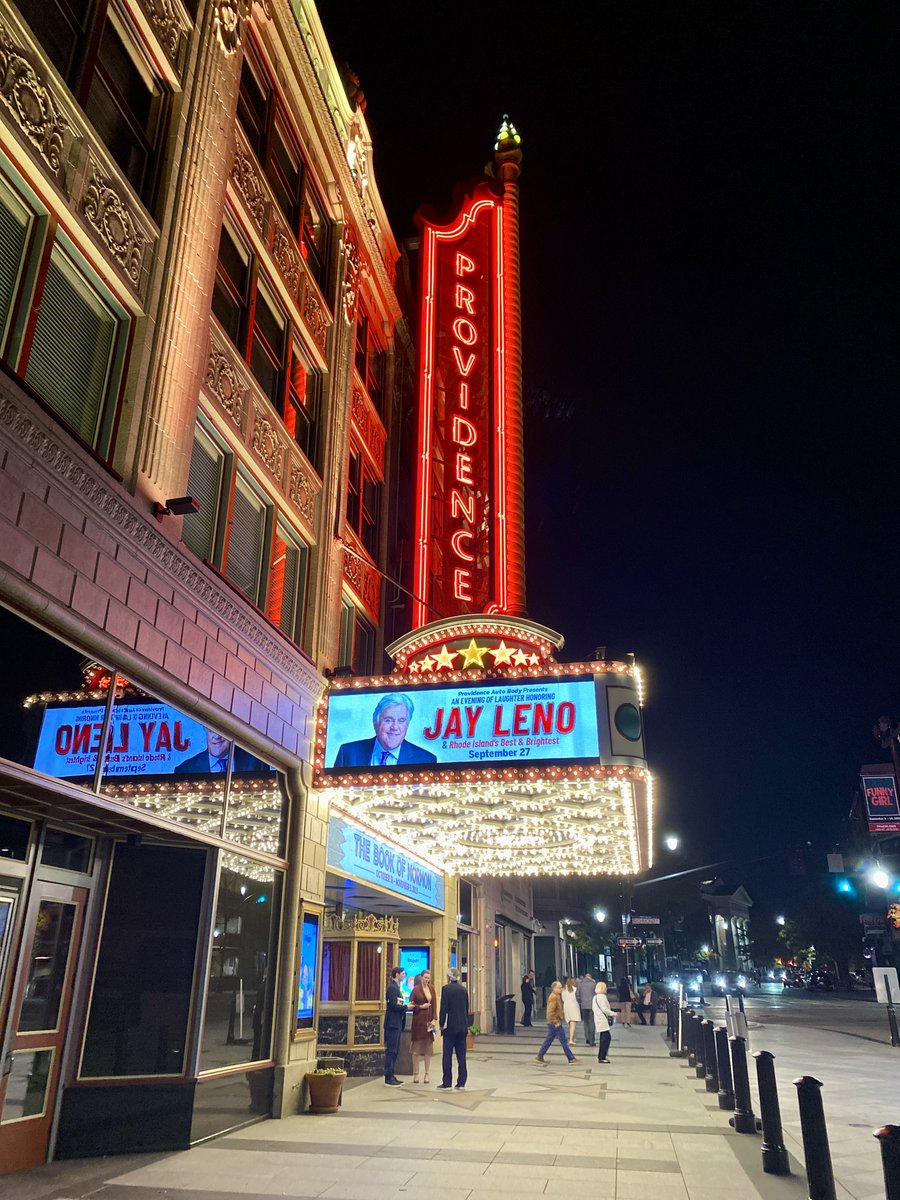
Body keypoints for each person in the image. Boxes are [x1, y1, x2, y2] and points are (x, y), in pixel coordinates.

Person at [334, 694, 437, 767]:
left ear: (407, 724)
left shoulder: (426, 760)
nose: (395, 727)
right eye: (388, 720)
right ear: (375, 721)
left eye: (401, 721)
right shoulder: (347, 752)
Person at [175, 728, 268, 773]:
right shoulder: (185, 769)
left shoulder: (256, 762)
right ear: (206, 733)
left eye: (222, 731)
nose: (216, 737)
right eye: (211, 731)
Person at [437, 968, 469, 1089]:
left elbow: (444, 1009)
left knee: (447, 1055)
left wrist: (441, 1024)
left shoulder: (446, 989)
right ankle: (461, 1082)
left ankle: (447, 1081)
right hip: (462, 1027)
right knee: (461, 1056)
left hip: (450, 1027)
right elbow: (466, 1008)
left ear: (450, 977)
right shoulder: (464, 990)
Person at [535, 980, 578, 1065]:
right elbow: (550, 1012)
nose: (561, 989)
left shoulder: (557, 996)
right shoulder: (553, 997)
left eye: (561, 987)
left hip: (554, 1022)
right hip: (554, 1023)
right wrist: (555, 1022)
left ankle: (540, 1055)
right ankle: (571, 1058)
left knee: (549, 1040)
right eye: (559, 988)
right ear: (554, 988)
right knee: (563, 1041)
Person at [409, 969, 436, 1084]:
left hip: (428, 1021)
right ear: (421, 977)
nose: (426, 980)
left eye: (428, 978)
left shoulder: (432, 988)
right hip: (418, 1021)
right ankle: (416, 1074)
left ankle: (427, 1074)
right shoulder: (416, 990)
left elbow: (434, 1004)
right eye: (425, 978)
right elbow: (411, 1004)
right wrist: (421, 1006)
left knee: (427, 1050)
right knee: (416, 1049)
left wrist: (434, 1019)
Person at [384, 966, 408, 1085]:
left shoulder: (397, 987)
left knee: (395, 1050)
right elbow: (393, 1005)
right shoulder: (392, 988)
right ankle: (389, 1076)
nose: (404, 976)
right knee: (391, 1050)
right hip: (392, 1023)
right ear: (397, 974)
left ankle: (392, 1074)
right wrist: (406, 1007)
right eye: (403, 974)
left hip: (397, 1023)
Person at [591, 981, 616, 1063]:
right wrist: (613, 1014)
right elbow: (605, 1009)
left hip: (598, 1018)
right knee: (606, 1037)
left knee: (604, 1036)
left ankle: (602, 1056)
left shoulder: (595, 997)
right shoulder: (602, 997)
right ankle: (602, 1056)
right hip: (603, 1019)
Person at [576, 971, 596, 1045]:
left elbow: (577, 995)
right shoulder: (593, 984)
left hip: (584, 1006)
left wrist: (580, 1001)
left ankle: (587, 1038)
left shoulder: (580, 984)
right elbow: (596, 994)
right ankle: (592, 1040)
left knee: (585, 1023)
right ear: (590, 977)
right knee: (592, 1022)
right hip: (592, 1006)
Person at [562, 977, 580, 1044]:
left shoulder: (564, 989)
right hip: (574, 1006)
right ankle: (571, 1039)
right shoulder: (575, 989)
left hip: (566, 1006)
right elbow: (578, 998)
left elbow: (563, 998)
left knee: (570, 1023)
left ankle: (573, 1037)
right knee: (573, 1023)